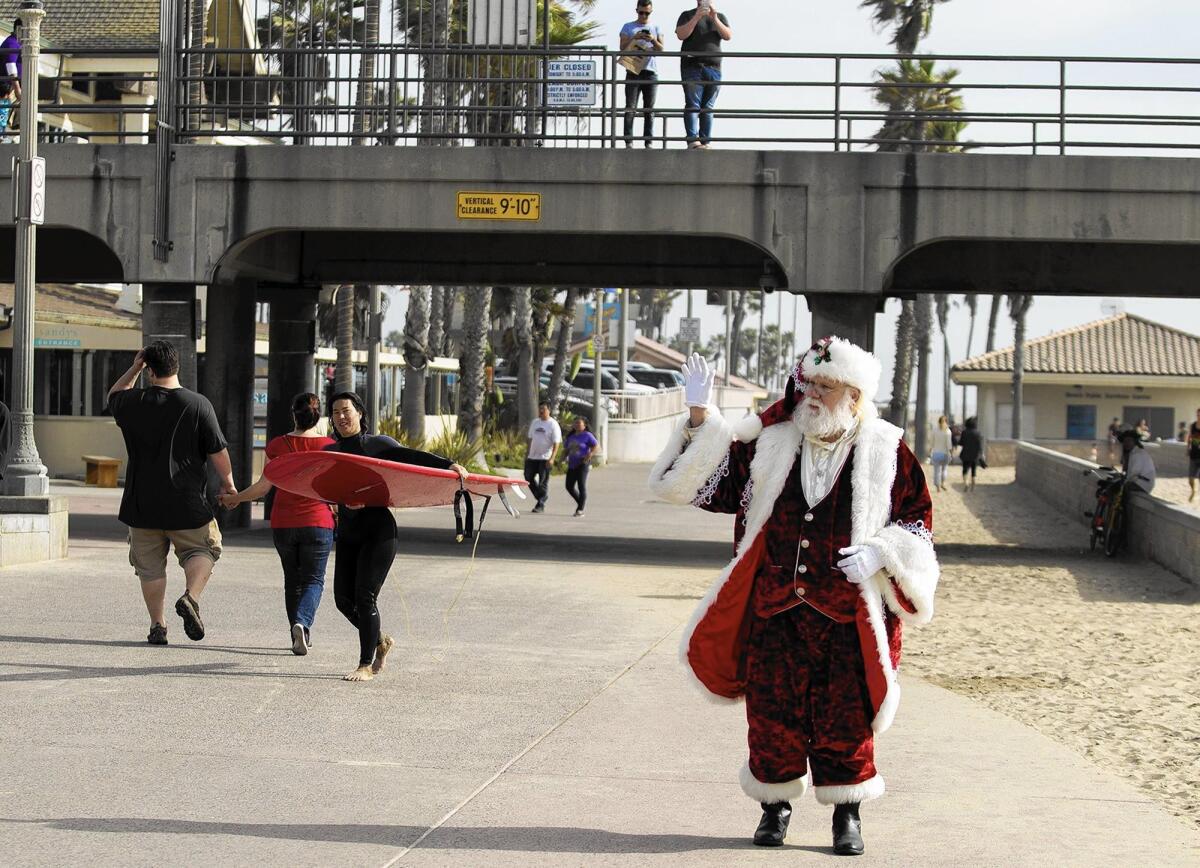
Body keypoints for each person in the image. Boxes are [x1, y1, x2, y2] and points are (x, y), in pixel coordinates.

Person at [650, 341, 938, 856]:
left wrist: (882, 553)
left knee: (845, 719)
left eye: (825, 388)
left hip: (846, 617)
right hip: (774, 609)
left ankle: (846, 813)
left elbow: (917, 519)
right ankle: (774, 807)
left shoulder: (887, 450)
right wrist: (698, 417)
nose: (811, 395)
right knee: (770, 715)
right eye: (809, 385)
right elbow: (709, 485)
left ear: (853, 395)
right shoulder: (774, 441)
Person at [325, 391, 468, 682]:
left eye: (346, 410)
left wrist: (448, 463)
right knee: (343, 600)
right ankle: (381, 640)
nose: (341, 416)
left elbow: (411, 457)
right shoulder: (331, 451)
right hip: (349, 531)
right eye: (336, 412)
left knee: (364, 596)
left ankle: (365, 664)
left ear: (360, 413)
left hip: (378, 531)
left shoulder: (376, 444)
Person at [107, 341, 235, 646]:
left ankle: (158, 626)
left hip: (142, 505)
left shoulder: (132, 402)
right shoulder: (197, 403)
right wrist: (228, 483)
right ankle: (191, 596)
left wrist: (134, 366)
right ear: (176, 365)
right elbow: (218, 450)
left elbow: (113, 395)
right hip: (187, 504)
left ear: (149, 370)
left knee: (149, 568)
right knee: (203, 551)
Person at [220, 393, 336, 656]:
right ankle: (302, 624)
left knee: (292, 580)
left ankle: (297, 634)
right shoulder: (329, 447)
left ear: (293, 415)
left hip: (284, 522)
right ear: (319, 418)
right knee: (314, 579)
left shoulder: (277, 446)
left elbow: (263, 487)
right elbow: (335, 488)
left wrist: (235, 499)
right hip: (318, 520)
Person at [675, 0, 731, 149]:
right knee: (693, 104)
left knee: (708, 107)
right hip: (692, 66)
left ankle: (705, 141)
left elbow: (727, 35)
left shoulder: (720, 16)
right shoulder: (687, 15)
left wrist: (715, 18)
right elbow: (681, 34)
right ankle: (693, 141)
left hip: (714, 68)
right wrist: (696, 17)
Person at [619, 1, 664, 148]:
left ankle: (648, 142)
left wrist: (653, 40)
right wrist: (634, 38)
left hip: (650, 71)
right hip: (633, 69)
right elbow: (622, 49)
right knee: (630, 107)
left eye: (647, 13)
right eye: (641, 12)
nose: (644, 16)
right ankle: (628, 141)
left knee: (649, 109)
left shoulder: (656, 27)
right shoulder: (628, 27)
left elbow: (661, 50)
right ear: (636, 10)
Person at [525, 403, 562, 514]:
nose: (541, 411)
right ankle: (540, 496)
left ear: (549, 410)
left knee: (543, 482)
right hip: (532, 457)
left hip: (545, 457)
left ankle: (540, 504)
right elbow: (530, 439)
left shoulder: (553, 424)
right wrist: (527, 454)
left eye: (543, 409)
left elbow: (556, 443)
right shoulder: (535, 422)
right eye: (540, 408)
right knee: (528, 478)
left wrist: (552, 458)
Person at [563, 417, 599, 517]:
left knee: (581, 485)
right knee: (569, 486)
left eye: (579, 423)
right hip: (572, 464)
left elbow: (596, 446)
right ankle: (581, 502)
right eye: (575, 423)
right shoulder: (571, 436)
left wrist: (590, 454)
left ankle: (580, 509)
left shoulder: (587, 435)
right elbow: (566, 449)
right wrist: (562, 459)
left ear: (584, 425)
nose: (577, 425)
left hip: (583, 463)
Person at [0, 20, 21, 143]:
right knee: (3, 109)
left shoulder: (17, 44)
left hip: (7, 88)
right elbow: (10, 66)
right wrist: (18, 89)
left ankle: (7, 133)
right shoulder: (12, 43)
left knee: (5, 110)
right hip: (3, 87)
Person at [1120, 429, 1156, 495]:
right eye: (1125, 441)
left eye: (1129, 441)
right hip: (1138, 481)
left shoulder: (1138, 454)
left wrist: (1124, 481)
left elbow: (1134, 473)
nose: (1126, 443)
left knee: (1120, 488)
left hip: (1143, 483)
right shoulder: (1132, 453)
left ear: (1134, 442)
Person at [958, 416, 985, 491]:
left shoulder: (964, 432)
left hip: (965, 454)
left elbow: (961, 443)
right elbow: (980, 445)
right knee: (973, 470)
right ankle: (973, 486)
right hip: (975, 455)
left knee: (965, 470)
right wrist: (981, 454)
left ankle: (966, 483)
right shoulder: (977, 433)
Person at [930, 415, 953, 492]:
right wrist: (951, 453)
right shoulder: (947, 431)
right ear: (946, 422)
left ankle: (938, 487)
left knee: (937, 471)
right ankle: (943, 483)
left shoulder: (934, 430)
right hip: (945, 453)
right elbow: (949, 444)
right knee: (944, 470)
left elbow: (931, 442)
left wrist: (930, 451)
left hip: (936, 453)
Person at [1187, 409, 1200, 503]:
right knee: (1191, 478)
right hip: (1193, 455)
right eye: (1198, 415)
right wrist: (1188, 448)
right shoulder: (1193, 426)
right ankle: (1193, 490)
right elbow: (1190, 437)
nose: (1199, 416)